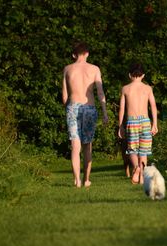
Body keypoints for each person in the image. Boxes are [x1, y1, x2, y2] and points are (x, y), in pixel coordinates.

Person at [62, 42, 108, 188]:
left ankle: (77, 180)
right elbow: (100, 93)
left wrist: (69, 107)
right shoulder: (94, 69)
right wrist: (105, 112)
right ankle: (87, 179)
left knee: (75, 146)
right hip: (89, 108)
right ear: (87, 53)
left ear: (74, 55)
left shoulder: (67, 69)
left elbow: (64, 97)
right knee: (87, 146)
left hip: (73, 107)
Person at [118, 63, 158, 184]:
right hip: (145, 121)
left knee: (132, 150)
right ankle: (142, 177)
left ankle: (136, 168)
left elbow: (122, 109)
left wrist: (120, 126)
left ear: (130, 75)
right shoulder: (148, 88)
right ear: (143, 75)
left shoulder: (125, 88)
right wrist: (155, 123)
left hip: (132, 122)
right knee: (144, 151)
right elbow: (153, 106)